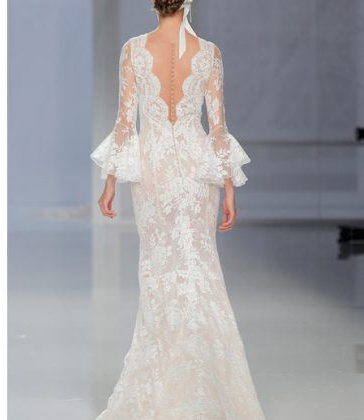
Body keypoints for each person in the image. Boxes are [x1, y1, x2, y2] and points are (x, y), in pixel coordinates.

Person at [90, 0, 265, 418]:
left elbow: (125, 122)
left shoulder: (134, 50)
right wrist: (228, 187)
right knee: (200, 266)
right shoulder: (209, 53)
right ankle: (205, 383)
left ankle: (166, 381)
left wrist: (111, 180)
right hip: (195, 168)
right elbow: (217, 127)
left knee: (157, 269)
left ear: (155, 4)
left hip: (153, 171)